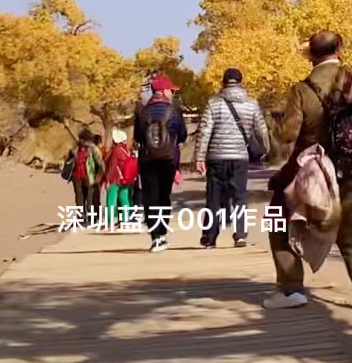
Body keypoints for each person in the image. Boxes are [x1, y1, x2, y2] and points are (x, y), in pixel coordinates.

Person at [264, 31, 352, 313]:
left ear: (311, 55)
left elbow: (288, 136)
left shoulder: (302, 90)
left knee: (277, 219)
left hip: (311, 170)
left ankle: (290, 288)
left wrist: (273, 121)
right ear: (339, 49)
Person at [197, 66, 270, 248]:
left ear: (224, 82)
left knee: (214, 197)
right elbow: (262, 130)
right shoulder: (251, 104)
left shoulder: (213, 104)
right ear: (240, 82)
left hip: (216, 156)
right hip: (239, 157)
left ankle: (210, 237)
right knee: (239, 196)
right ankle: (240, 234)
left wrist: (199, 157)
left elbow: (204, 132)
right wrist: (266, 150)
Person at [133, 73, 187, 252]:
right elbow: (182, 135)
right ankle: (162, 233)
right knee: (164, 196)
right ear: (164, 91)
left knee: (150, 197)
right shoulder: (173, 111)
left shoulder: (142, 111)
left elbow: (138, 136)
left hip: (147, 159)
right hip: (168, 159)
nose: (172, 93)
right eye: (171, 90)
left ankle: (155, 236)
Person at [102, 127, 138, 229]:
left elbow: (112, 166)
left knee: (111, 201)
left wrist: (107, 180)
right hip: (125, 180)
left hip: (115, 179)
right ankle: (125, 221)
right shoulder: (126, 151)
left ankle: (110, 221)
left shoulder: (116, 151)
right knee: (125, 201)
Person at [66, 128, 102, 226]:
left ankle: (91, 218)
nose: (80, 140)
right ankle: (81, 219)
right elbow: (68, 161)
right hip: (76, 177)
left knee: (90, 200)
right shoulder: (75, 149)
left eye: (82, 138)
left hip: (89, 177)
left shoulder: (93, 149)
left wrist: (97, 178)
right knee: (79, 199)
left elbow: (101, 165)